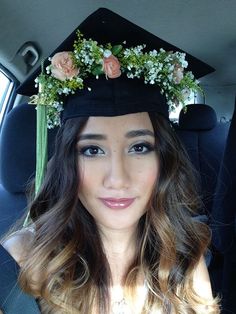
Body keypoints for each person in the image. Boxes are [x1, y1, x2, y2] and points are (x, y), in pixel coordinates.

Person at [0, 8, 220, 314]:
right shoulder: (16, 262)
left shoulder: (186, 256)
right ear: (67, 162)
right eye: (92, 150)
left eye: (140, 147)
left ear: (164, 158)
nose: (118, 178)